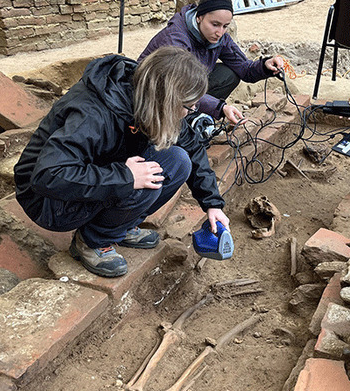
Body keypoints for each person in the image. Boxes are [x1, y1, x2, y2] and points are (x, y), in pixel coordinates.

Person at [14, 46, 230, 278]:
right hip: (48, 201)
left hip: (97, 169)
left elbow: (192, 146)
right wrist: (126, 177)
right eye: (189, 106)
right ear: (167, 100)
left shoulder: (148, 95)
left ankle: (118, 226)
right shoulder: (93, 113)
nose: (192, 112)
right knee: (143, 181)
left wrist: (212, 203)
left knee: (179, 161)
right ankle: (91, 241)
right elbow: (48, 175)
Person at [138, 0, 285, 125]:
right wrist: (220, 108)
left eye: (225, 26)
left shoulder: (220, 39)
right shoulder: (175, 40)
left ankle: (194, 118)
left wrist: (265, 66)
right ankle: (178, 125)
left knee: (229, 74)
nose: (220, 32)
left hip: (186, 89)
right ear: (199, 17)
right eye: (215, 24)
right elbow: (177, 88)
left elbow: (244, 68)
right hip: (154, 94)